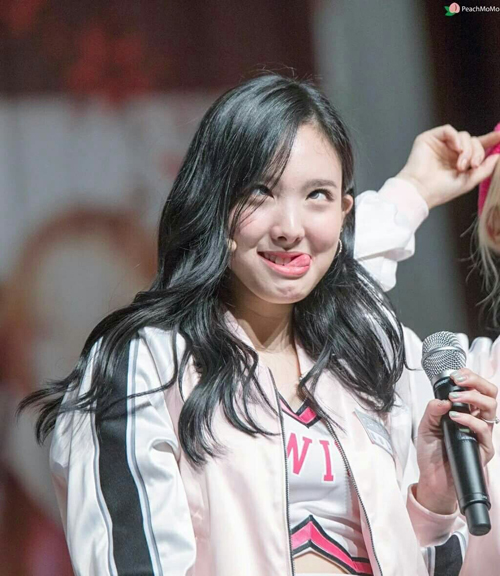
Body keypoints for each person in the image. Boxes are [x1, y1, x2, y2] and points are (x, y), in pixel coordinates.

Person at [19, 74, 500, 576]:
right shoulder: (147, 364)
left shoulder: (369, 362)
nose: (290, 228)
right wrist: (413, 190)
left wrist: (434, 501)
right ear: (216, 201)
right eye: (260, 192)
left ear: (344, 212)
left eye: (317, 195)